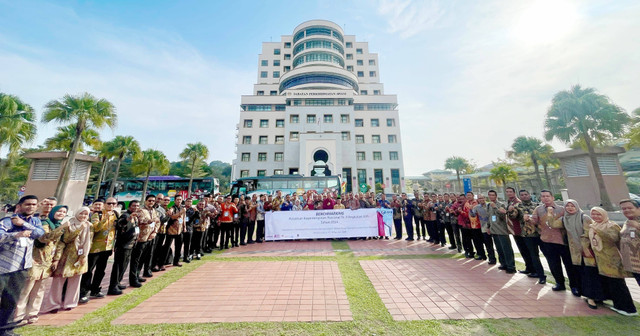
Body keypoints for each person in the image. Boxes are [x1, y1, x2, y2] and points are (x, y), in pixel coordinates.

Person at [14, 205, 68, 325]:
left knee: (39, 290)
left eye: (64, 212)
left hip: (47, 262)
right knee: (26, 289)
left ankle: (32, 314)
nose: (61, 213)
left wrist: (56, 259)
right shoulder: (44, 223)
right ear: (53, 212)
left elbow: (60, 244)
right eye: (59, 211)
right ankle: (18, 315)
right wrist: (62, 228)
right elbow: (44, 238)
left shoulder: (58, 226)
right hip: (35, 260)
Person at [1, 195, 45, 332]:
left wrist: (23, 224)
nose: (31, 207)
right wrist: (15, 235)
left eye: (33, 204)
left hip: (21, 268)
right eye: (27, 204)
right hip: (4, 267)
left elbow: (39, 233)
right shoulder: (8, 221)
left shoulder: (35, 221)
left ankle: (5, 330)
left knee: (12, 300)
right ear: (19, 206)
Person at [588, 206, 638, 316]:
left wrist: (599, 231)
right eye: (593, 214)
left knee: (617, 284)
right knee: (609, 283)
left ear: (604, 215)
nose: (595, 216)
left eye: (598, 214)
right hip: (601, 259)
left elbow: (614, 239)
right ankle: (617, 304)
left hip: (613, 258)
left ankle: (629, 309)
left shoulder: (611, 225)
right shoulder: (593, 225)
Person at [43, 207, 92, 313]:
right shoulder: (69, 223)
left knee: (75, 281)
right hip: (66, 255)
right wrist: (78, 229)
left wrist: (84, 255)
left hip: (80, 256)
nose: (83, 216)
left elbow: (88, 242)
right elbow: (65, 239)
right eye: (81, 213)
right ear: (76, 213)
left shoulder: (88, 225)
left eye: (85, 214)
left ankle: (70, 303)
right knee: (58, 280)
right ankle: (53, 304)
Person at [532, 190, 580, 294]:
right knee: (553, 264)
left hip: (563, 241)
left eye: (548, 196)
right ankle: (560, 283)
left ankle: (574, 286)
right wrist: (528, 219)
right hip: (547, 241)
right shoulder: (538, 209)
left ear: (552, 197)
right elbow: (534, 221)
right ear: (541, 198)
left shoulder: (562, 209)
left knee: (569, 265)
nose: (546, 198)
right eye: (543, 196)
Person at [79, 197, 118, 303]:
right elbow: (96, 228)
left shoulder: (116, 215)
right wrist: (105, 219)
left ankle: (95, 289)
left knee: (101, 270)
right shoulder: (98, 215)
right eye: (109, 203)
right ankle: (83, 292)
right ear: (105, 204)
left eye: (113, 204)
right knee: (89, 270)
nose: (111, 206)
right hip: (95, 247)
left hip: (108, 247)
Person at [562, 200, 593, 303]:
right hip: (573, 250)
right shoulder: (565, 219)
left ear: (577, 206)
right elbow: (553, 224)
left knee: (587, 272)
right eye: (567, 206)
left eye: (572, 206)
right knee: (577, 271)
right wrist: (549, 213)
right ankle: (582, 291)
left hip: (585, 250)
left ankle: (591, 295)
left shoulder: (584, 217)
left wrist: (584, 248)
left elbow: (588, 234)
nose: (570, 208)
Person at [108, 201, 140, 295]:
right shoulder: (125, 215)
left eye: (137, 206)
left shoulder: (135, 216)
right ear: (129, 207)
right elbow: (120, 224)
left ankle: (118, 282)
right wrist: (128, 219)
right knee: (118, 266)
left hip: (130, 245)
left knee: (124, 265)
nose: (136, 207)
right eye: (134, 206)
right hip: (123, 245)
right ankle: (113, 286)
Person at [514, 190, 546, 284]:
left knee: (548, 255)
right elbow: (513, 216)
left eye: (526, 194)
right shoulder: (518, 206)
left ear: (529, 195)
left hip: (541, 233)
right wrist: (511, 210)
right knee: (534, 255)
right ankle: (540, 275)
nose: (524, 196)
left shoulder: (538, 206)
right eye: (522, 195)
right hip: (528, 234)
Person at [506, 187, 534, 275]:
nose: (509, 193)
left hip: (522, 230)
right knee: (522, 250)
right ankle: (528, 267)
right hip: (516, 230)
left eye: (511, 192)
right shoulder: (510, 202)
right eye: (507, 192)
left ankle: (532, 268)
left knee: (527, 250)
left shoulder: (517, 203)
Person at [487, 190, 516, 273]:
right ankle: (503, 263)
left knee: (506, 249)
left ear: (496, 196)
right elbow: (489, 216)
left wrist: (495, 207)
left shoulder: (501, 204)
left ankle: (511, 266)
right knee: (499, 248)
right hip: (494, 230)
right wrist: (488, 227)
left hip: (502, 230)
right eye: (490, 195)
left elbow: (503, 215)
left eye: (493, 195)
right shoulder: (488, 205)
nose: (491, 197)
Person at [619, 199, 640, 286]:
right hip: (633, 265)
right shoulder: (627, 222)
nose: (627, 210)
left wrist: (638, 226)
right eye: (624, 209)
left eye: (630, 208)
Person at [162, 195, 186, 267]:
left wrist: (184, 227)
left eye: (180, 199)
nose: (179, 201)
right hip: (171, 230)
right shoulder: (171, 208)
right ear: (175, 201)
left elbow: (183, 219)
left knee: (178, 247)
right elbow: (172, 217)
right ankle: (162, 263)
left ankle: (176, 261)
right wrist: (181, 212)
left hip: (179, 230)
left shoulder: (182, 208)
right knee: (167, 247)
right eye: (177, 199)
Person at [474, 195, 496, 264]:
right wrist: (472, 210)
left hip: (493, 227)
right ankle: (491, 259)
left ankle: (502, 261)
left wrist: (493, 224)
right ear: (478, 200)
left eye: (482, 198)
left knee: (497, 244)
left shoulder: (490, 205)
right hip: (484, 228)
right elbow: (472, 215)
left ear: (485, 198)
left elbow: (494, 215)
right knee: (488, 244)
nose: (481, 199)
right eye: (479, 198)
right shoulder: (477, 207)